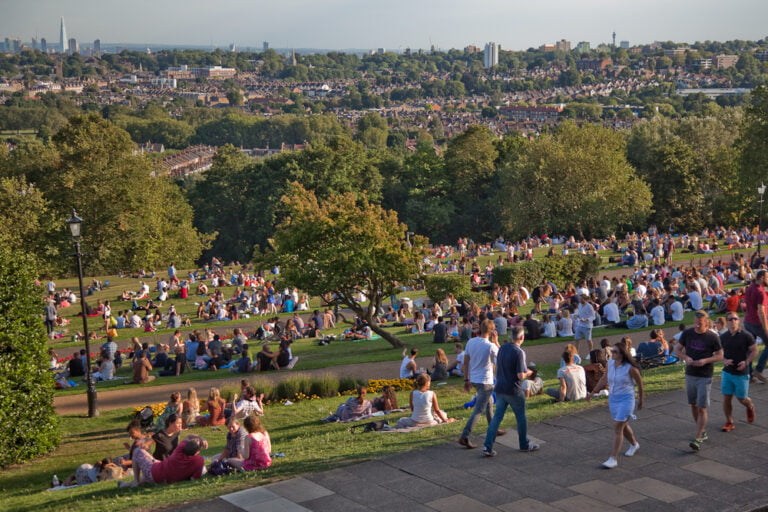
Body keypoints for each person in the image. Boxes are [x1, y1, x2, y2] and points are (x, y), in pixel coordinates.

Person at [483, 326, 539, 457]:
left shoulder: (503, 347)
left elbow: (499, 348)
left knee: (497, 418)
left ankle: (487, 446)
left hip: (500, 388)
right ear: (522, 337)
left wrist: (496, 341)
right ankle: (524, 444)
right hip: (513, 389)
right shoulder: (519, 352)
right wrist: (529, 372)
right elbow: (520, 375)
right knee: (521, 417)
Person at [587, 341, 644, 469]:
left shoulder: (630, 368)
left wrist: (641, 400)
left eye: (615, 352)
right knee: (622, 425)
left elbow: (640, 384)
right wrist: (592, 393)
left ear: (622, 354)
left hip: (626, 399)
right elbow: (604, 379)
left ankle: (613, 458)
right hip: (613, 399)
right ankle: (634, 444)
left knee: (618, 427)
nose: (611, 353)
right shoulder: (610, 364)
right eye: (611, 351)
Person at [675, 310, 724, 451]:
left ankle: (697, 438)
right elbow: (677, 349)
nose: (697, 325)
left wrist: (705, 360)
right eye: (696, 322)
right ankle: (701, 431)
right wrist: (686, 357)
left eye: (700, 323)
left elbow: (720, 356)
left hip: (705, 375)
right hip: (690, 373)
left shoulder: (712, 337)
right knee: (693, 404)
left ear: (706, 323)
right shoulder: (688, 334)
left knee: (702, 407)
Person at [458, 319, 502, 449]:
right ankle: (465, 436)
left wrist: (466, 380)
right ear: (492, 331)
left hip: (474, 379)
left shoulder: (471, 342)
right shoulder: (490, 346)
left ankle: (494, 428)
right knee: (479, 409)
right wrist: (496, 342)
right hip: (486, 380)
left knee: (489, 405)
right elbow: (502, 357)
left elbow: (466, 362)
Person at [119, 435, 208, 487]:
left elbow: (188, 436)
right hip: (163, 478)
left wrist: (200, 438)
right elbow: (193, 479)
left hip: (155, 473)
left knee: (137, 451)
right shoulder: (199, 461)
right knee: (154, 467)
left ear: (185, 446)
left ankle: (135, 481)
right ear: (198, 452)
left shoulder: (179, 450)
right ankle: (126, 485)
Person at [720, 313, 757, 432]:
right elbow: (718, 353)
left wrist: (746, 362)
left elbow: (754, 350)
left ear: (738, 321)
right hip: (727, 372)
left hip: (741, 373)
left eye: (735, 319)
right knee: (727, 397)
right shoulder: (723, 336)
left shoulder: (746, 336)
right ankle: (729, 422)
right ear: (727, 321)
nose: (733, 321)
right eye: (730, 319)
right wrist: (724, 360)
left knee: (742, 398)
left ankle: (750, 405)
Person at [744, 269, 768, 383]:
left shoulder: (750, 288)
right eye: (767, 277)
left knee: (750, 347)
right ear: (762, 278)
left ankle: (749, 374)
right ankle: (759, 369)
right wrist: (766, 328)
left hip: (747, 321)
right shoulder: (760, 292)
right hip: (757, 323)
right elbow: (761, 312)